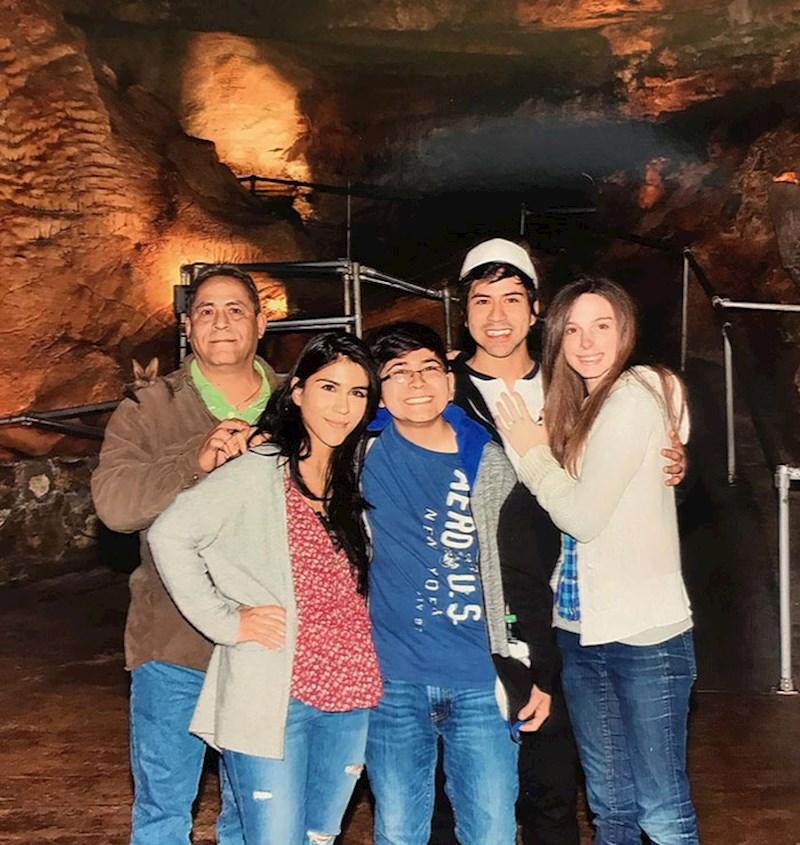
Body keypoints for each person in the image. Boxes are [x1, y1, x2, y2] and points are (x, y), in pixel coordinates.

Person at [450, 238, 687, 845]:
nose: (497, 315)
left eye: (512, 299)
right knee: (459, 794)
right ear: (462, 311)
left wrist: (673, 444)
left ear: (536, 312)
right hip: (469, 610)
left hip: (561, 620)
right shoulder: (437, 384)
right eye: (481, 300)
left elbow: (624, 467)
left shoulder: (577, 389)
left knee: (556, 786)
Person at [146, 330, 383, 845]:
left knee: (319, 837)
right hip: (276, 693)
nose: (343, 406)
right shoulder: (260, 469)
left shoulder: (357, 475)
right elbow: (170, 534)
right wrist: (225, 621)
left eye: (358, 392)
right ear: (297, 392)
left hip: (351, 691)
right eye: (328, 388)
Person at [91, 265, 278, 844]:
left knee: (255, 814)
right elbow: (115, 505)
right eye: (206, 311)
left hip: (270, 643)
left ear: (261, 323)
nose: (221, 322)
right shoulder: (151, 408)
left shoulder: (301, 401)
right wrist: (193, 460)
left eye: (235, 310)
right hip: (174, 641)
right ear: (188, 327)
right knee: (164, 811)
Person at [363, 321, 555, 845]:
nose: (416, 382)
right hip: (393, 682)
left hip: (481, 681)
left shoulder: (490, 461)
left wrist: (538, 670)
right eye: (397, 372)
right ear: (378, 389)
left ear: (451, 382)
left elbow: (524, 574)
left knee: (491, 832)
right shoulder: (358, 454)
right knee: (398, 832)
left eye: (429, 368)